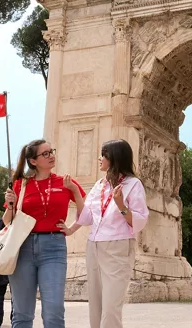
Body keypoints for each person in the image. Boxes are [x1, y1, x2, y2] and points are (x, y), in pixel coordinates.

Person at [58, 139, 149, 328]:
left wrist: (121, 205)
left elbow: (140, 220)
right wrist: (71, 226)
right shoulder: (100, 184)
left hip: (118, 246)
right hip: (93, 246)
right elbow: (88, 215)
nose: (99, 158)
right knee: (96, 305)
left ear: (114, 158)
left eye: (103, 154)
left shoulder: (133, 184)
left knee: (111, 307)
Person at [2, 139, 86, 328]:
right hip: (22, 247)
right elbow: (7, 221)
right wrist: (11, 205)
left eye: (52, 151)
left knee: (54, 311)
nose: (51, 156)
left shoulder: (65, 181)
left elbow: (87, 212)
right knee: (22, 313)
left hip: (54, 247)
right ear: (33, 161)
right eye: (45, 153)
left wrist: (71, 228)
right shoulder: (20, 184)